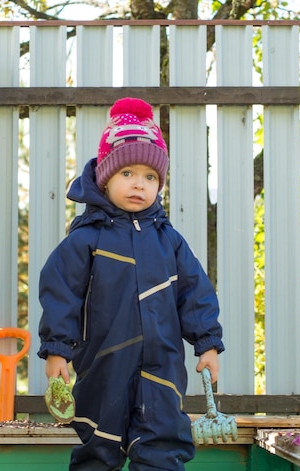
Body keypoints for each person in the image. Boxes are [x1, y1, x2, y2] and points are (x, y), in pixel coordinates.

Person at [38, 97, 225, 471]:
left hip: (162, 368)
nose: (139, 184)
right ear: (105, 177)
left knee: (162, 445)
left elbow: (195, 293)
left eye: (150, 177)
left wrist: (207, 343)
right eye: (127, 174)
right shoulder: (86, 240)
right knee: (99, 447)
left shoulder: (169, 241)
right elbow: (62, 295)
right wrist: (58, 349)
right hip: (104, 364)